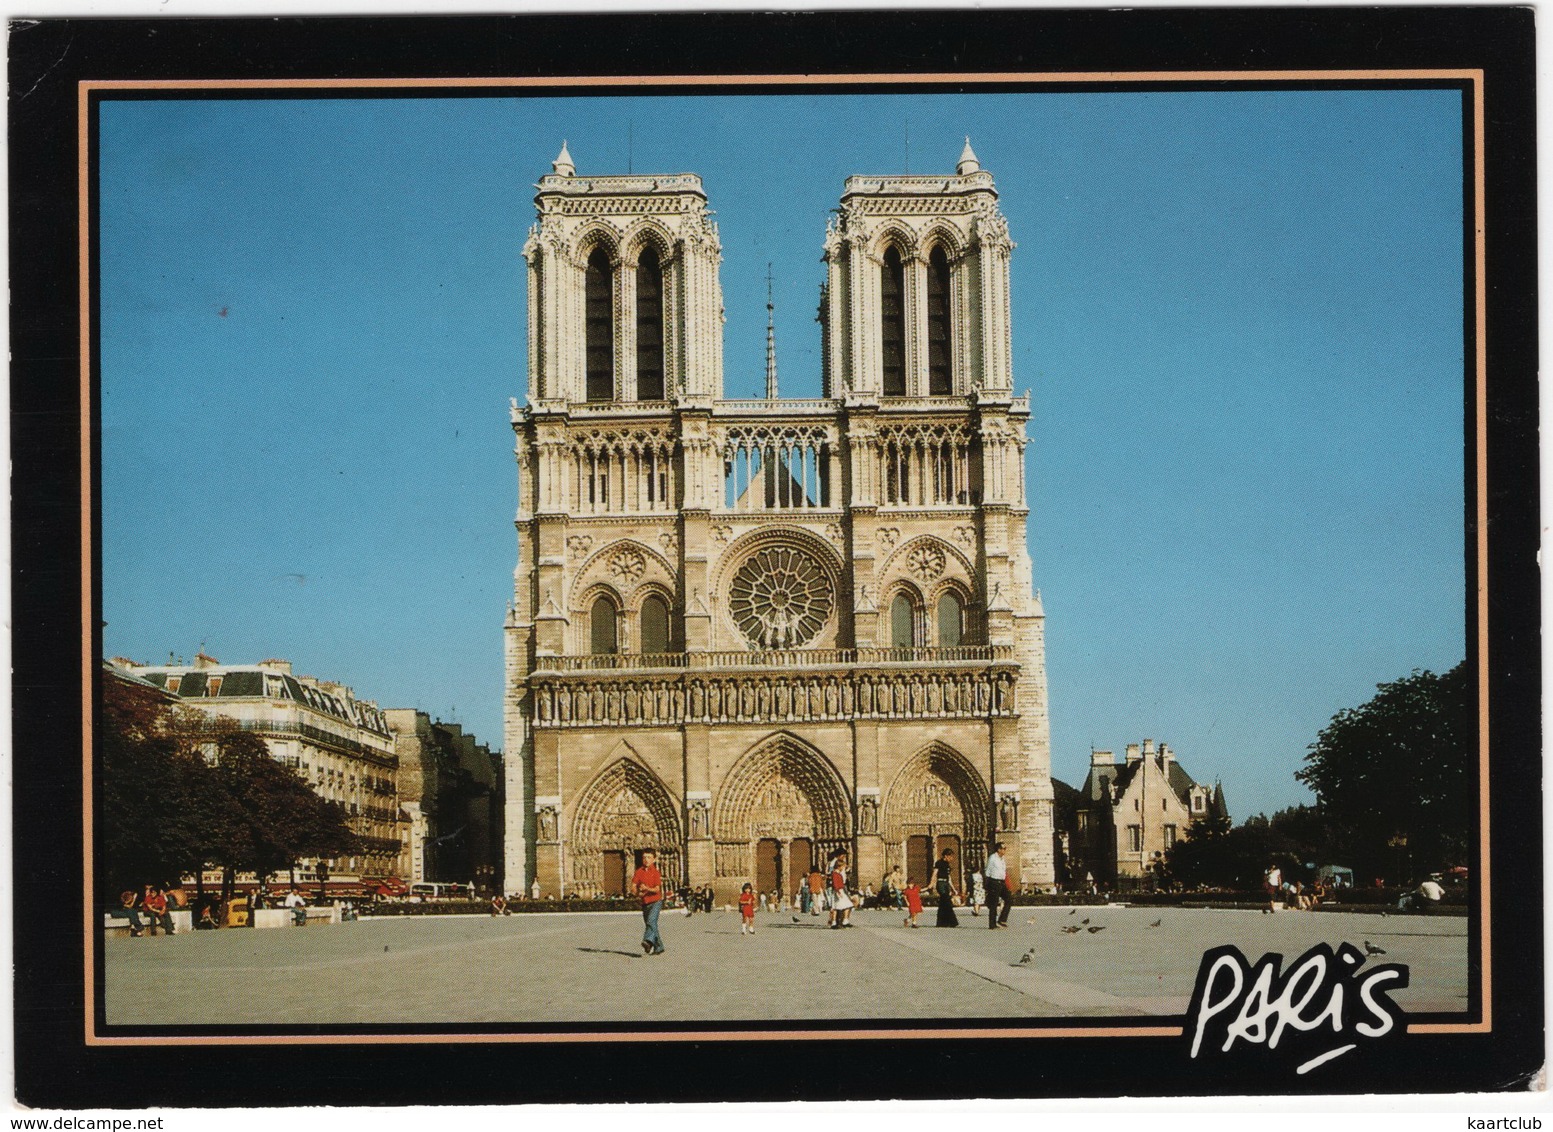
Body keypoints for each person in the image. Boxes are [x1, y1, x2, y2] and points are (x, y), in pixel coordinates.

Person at [632, 848, 666, 956]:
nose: (646, 860)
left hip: (656, 901)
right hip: (645, 902)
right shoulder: (638, 872)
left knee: (651, 922)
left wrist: (647, 889)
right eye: (644, 857)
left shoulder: (655, 872)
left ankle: (647, 942)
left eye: (649, 857)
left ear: (654, 859)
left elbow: (657, 889)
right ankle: (659, 946)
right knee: (651, 925)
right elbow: (633, 887)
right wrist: (637, 893)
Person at [983, 842, 1011, 929]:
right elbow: (987, 871)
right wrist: (987, 885)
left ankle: (1002, 919)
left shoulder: (1002, 859)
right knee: (994, 904)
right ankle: (992, 924)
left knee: (1009, 899)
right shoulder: (992, 858)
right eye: (1003, 848)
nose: (1005, 850)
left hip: (1001, 882)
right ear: (999, 849)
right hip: (994, 882)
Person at [932, 849, 959, 927]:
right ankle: (952, 922)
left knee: (943, 903)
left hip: (946, 883)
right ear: (946, 856)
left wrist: (953, 888)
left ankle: (941, 922)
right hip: (941, 883)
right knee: (946, 901)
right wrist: (931, 884)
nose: (952, 859)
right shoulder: (939, 863)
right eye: (950, 857)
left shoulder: (947, 864)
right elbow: (935, 873)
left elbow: (949, 877)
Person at [829, 851, 854, 929]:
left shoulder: (837, 873)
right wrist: (838, 891)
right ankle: (838, 922)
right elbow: (835, 883)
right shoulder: (835, 873)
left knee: (838, 906)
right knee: (839, 906)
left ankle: (839, 922)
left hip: (840, 889)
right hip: (839, 890)